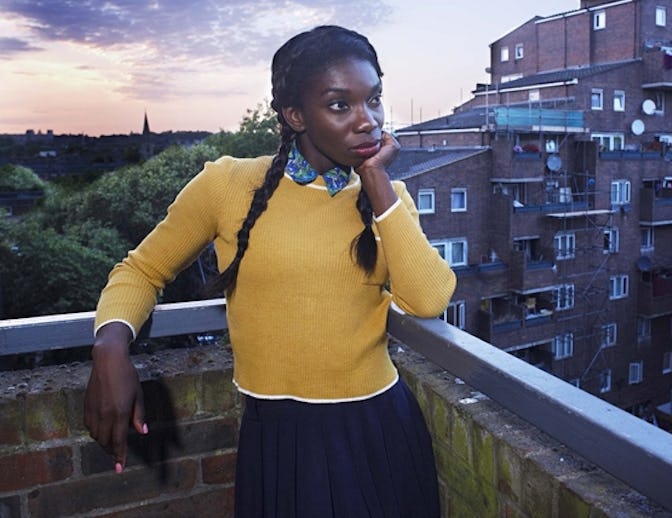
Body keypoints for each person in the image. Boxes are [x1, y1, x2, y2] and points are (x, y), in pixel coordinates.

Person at [84, 25, 456, 517]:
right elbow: (141, 270)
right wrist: (110, 345)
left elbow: (428, 299)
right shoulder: (227, 185)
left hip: (380, 427)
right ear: (295, 115)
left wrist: (377, 181)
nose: (367, 122)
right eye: (341, 105)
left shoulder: (387, 199)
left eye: (375, 101)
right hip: (278, 438)